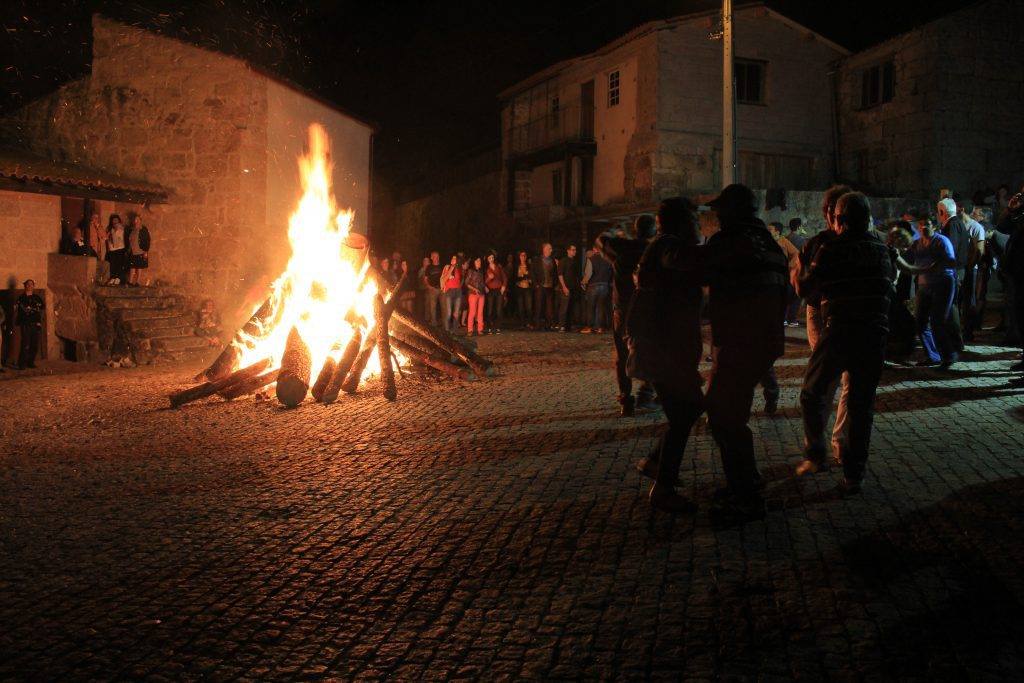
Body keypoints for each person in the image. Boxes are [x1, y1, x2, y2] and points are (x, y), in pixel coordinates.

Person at [691, 184, 788, 521]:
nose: (717, 217)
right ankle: (745, 482)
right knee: (731, 411)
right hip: (766, 341)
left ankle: (746, 495)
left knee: (723, 414)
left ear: (733, 211)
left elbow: (697, 270)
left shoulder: (729, 240)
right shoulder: (771, 244)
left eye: (721, 211)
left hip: (738, 339)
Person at [796, 192, 895, 493]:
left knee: (812, 393)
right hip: (874, 334)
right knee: (861, 405)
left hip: (840, 331)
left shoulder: (831, 249)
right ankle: (854, 475)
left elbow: (805, 289)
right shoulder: (881, 248)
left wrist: (797, 271)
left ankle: (816, 454)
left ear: (838, 220)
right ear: (867, 220)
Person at [626, 197, 704, 513]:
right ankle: (662, 486)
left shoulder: (662, 247)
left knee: (688, 410)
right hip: (663, 350)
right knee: (687, 410)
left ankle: (656, 464)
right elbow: (679, 262)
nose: (698, 227)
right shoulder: (669, 247)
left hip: (665, 348)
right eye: (694, 221)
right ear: (681, 223)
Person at [799, 185, 852, 466]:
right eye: (833, 209)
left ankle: (840, 443)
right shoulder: (818, 242)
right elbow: (806, 288)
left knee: (847, 381)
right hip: (820, 313)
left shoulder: (857, 241)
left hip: (844, 314)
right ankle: (818, 445)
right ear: (827, 212)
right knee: (826, 380)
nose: (836, 216)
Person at [597, 215, 658, 416]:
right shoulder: (654, 250)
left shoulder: (623, 248)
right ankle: (646, 393)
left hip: (622, 310)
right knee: (651, 350)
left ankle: (626, 399)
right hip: (646, 310)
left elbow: (600, 241)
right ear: (652, 231)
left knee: (623, 354)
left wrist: (614, 228)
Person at [901, 216, 958, 368]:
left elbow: (951, 261)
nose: (923, 227)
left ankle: (948, 355)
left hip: (942, 283)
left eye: (926, 224)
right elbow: (906, 257)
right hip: (924, 285)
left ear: (934, 226)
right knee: (920, 322)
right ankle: (932, 355)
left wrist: (935, 266)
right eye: (920, 225)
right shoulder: (918, 243)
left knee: (938, 321)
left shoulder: (941, 241)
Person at [936, 197, 969, 351]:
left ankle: (956, 342)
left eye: (938, 212)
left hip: (953, 272)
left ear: (943, 212)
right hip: (956, 270)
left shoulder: (952, 225)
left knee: (951, 306)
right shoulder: (957, 223)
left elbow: (950, 249)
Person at [957, 200, 986, 341]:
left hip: (969, 269)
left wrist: (969, 266)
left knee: (969, 300)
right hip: (958, 269)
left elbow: (979, 250)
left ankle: (968, 331)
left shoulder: (976, 227)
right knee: (957, 300)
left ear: (961, 208)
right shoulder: (956, 225)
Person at [581, 242, 613, 333]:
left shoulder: (591, 259)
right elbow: (611, 272)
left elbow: (588, 274)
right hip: (605, 286)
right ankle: (599, 327)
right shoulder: (608, 260)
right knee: (601, 307)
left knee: (591, 307)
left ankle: (590, 327)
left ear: (595, 249)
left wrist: (583, 282)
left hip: (593, 285)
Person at [14, 279, 45, 370]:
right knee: (25, 343)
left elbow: (42, 310)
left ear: (33, 286)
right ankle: (22, 364)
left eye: (31, 284)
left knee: (34, 344)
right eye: (28, 284)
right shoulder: (21, 298)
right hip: (25, 324)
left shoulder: (37, 298)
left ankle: (30, 362)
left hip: (35, 323)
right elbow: (16, 310)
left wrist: (39, 321)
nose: (30, 286)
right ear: (25, 286)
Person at [531, 243, 556, 330]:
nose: (551, 250)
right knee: (539, 306)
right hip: (540, 286)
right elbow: (533, 273)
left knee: (549, 307)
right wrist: (536, 284)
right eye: (550, 248)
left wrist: (554, 284)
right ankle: (537, 325)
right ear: (544, 249)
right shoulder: (537, 260)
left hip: (550, 286)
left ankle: (548, 325)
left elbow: (555, 273)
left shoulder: (552, 261)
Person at [556, 245, 581, 332]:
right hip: (566, 287)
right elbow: (560, 274)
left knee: (570, 308)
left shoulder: (574, 261)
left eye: (575, 250)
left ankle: (568, 326)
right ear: (568, 251)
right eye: (573, 250)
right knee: (564, 307)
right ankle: (561, 326)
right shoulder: (563, 261)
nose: (575, 251)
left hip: (573, 288)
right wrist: (564, 287)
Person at [484, 253, 507, 333]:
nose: (491, 259)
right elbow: (484, 281)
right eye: (490, 258)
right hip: (490, 290)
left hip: (499, 290)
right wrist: (489, 279)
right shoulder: (486, 269)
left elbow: (504, 277)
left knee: (499, 309)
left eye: (492, 257)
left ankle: (498, 327)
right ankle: (490, 327)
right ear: (487, 259)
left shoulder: (499, 267)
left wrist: (503, 286)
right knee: (490, 309)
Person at [126, 214, 151, 287]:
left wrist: (146, 250)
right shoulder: (132, 229)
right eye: (135, 220)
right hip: (133, 251)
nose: (135, 221)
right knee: (132, 266)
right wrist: (129, 249)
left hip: (140, 251)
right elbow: (130, 240)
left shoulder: (143, 229)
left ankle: (137, 282)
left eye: (137, 219)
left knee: (139, 266)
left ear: (140, 220)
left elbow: (147, 240)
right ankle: (130, 282)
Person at [440, 255, 463, 333]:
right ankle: (447, 331)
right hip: (449, 291)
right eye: (452, 258)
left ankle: (454, 331)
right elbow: (444, 279)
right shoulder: (447, 267)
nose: (453, 260)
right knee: (449, 313)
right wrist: (451, 269)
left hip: (458, 291)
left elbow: (460, 280)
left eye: (455, 258)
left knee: (456, 313)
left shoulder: (459, 268)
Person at [465, 256, 486, 336]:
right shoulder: (470, 271)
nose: (479, 262)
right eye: (477, 261)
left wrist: (485, 287)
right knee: (472, 312)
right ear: (474, 263)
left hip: (481, 294)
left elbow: (482, 282)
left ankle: (480, 329)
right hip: (473, 294)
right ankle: (470, 330)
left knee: (480, 312)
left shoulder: (481, 271)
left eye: (480, 261)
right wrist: (474, 289)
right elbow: (466, 283)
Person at [421, 252, 443, 326]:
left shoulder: (442, 266)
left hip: (442, 289)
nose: (436, 258)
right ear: (432, 257)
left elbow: (446, 276)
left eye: (437, 256)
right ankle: (434, 323)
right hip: (433, 289)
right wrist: (429, 286)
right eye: (434, 256)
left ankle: (444, 323)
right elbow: (425, 278)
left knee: (444, 306)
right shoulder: (429, 267)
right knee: (432, 307)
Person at [105, 214, 128, 286]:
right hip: (112, 249)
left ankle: (118, 278)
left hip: (120, 248)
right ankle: (113, 278)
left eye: (116, 220)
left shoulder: (122, 229)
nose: (115, 222)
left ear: (119, 221)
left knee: (119, 264)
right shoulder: (110, 229)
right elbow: (107, 239)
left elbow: (123, 238)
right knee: (113, 264)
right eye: (113, 220)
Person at [513, 250, 533, 326]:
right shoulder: (516, 266)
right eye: (522, 255)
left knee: (529, 307)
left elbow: (532, 276)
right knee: (521, 307)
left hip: (527, 288)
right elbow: (514, 278)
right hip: (519, 288)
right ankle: (522, 323)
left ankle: (529, 322)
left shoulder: (529, 265)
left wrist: (529, 279)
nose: (523, 257)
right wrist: (522, 277)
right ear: (519, 257)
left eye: (524, 255)